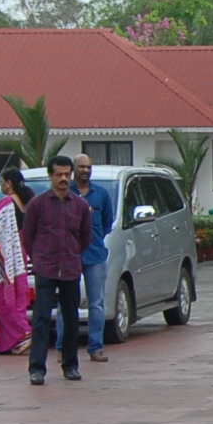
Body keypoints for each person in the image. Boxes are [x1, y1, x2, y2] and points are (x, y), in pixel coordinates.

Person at [22, 153, 93, 387]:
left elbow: (85, 238)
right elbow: (28, 236)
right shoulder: (37, 205)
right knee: (41, 319)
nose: (63, 179)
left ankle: (70, 366)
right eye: (59, 174)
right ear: (50, 176)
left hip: (70, 268)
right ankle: (37, 369)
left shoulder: (80, 206)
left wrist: (72, 254)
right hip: (45, 268)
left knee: (71, 319)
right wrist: (38, 258)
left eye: (67, 174)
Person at [0, 166, 32, 356]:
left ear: (9, 183)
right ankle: (15, 340)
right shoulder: (26, 204)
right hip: (20, 256)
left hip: (5, 256)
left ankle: (23, 333)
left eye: (2, 182)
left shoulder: (6, 203)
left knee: (0, 298)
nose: (1, 186)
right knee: (16, 298)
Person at [72, 154, 113, 360]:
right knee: (66, 303)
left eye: (88, 167)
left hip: (95, 255)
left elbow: (107, 224)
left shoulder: (101, 194)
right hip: (70, 256)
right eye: (81, 167)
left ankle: (96, 347)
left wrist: (93, 239)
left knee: (96, 303)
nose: (85, 171)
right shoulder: (66, 193)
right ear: (74, 168)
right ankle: (63, 348)